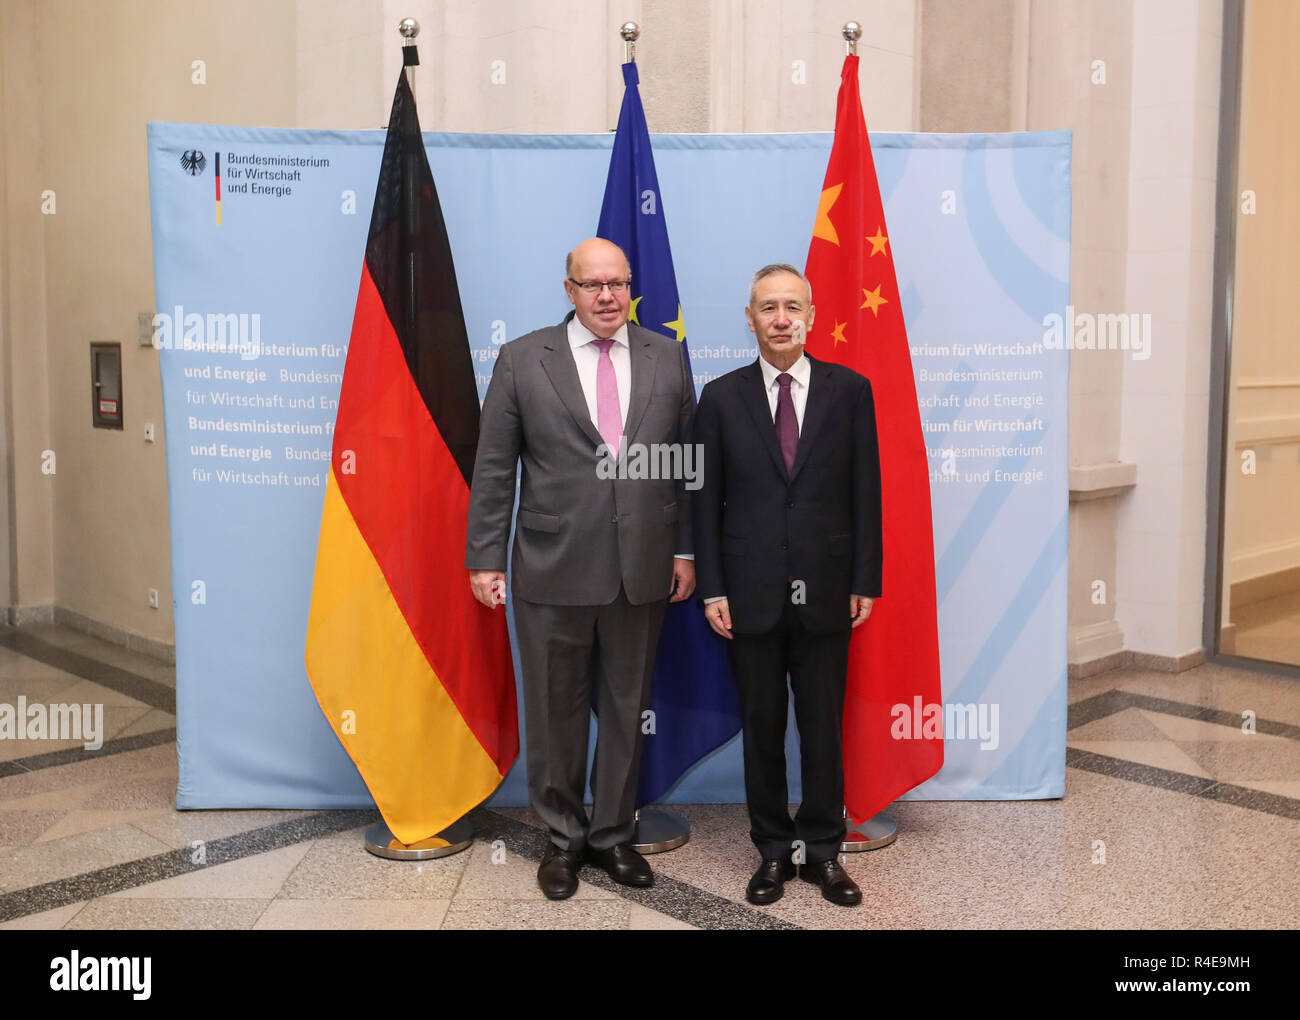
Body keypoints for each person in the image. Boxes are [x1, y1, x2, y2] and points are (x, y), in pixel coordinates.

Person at [465, 237, 696, 899]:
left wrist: (684, 550)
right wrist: (485, 555)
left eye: (618, 284)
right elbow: (493, 468)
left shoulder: (667, 358)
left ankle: (613, 837)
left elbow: (685, 465)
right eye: (592, 285)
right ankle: (562, 842)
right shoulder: (521, 360)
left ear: (631, 288)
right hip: (550, 567)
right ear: (568, 290)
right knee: (555, 712)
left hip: (641, 569)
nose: (607, 296)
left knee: (627, 710)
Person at [692, 263, 882, 907]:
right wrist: (713, 588)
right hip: (747, 596)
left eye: (792, 307)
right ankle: (774, 851)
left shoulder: (850, 391)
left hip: (829, 591)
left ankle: (824, 852)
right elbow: (704, 501)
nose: (780, 318)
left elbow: (866, 495)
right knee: (764, 726)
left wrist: (865, 579)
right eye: (767, 307)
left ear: (811, 316)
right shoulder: (719, 399)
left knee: (824, 729)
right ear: (749, 318)